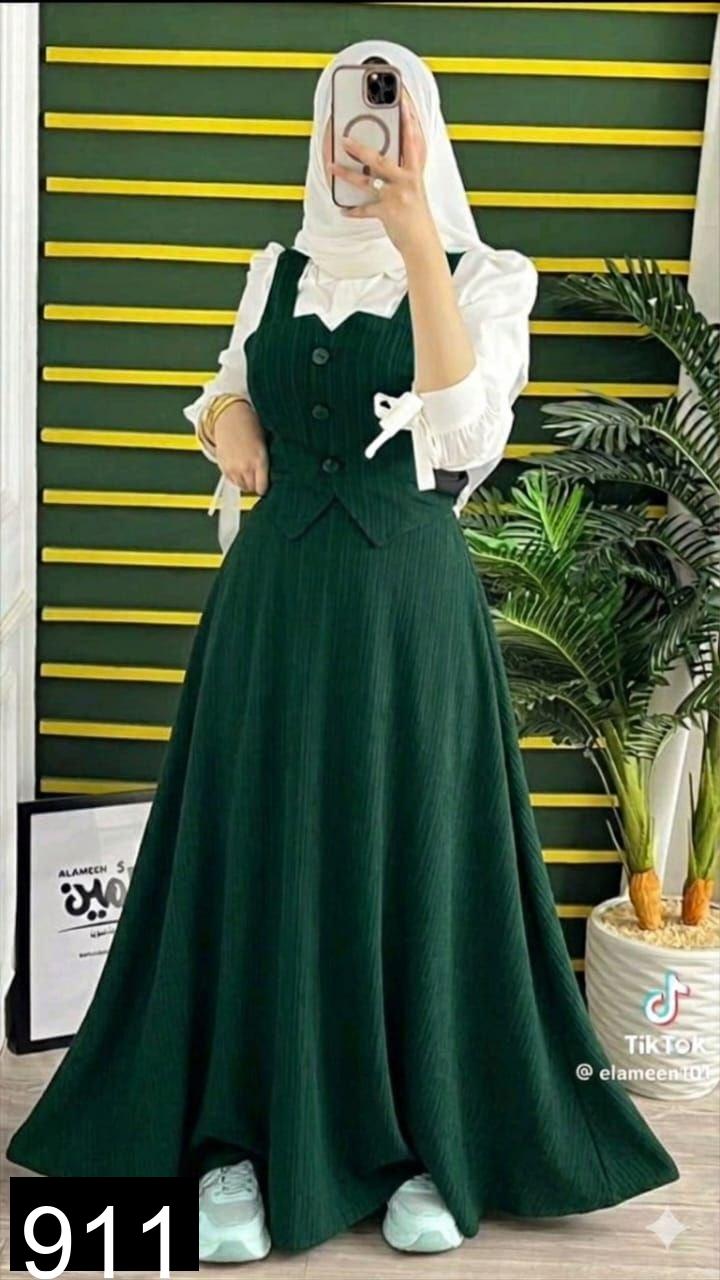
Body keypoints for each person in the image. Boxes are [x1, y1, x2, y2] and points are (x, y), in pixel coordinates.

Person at [7, 38, 679, 1263]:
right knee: (257, 854)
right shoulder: (277, 268)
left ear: (425, 128)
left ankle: (427, 1140)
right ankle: (236, 1137)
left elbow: (463, 431)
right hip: (270, 607)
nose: (359, 138)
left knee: (410, 853)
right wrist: (226, 418)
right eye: (341, 114)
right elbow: (223, 383)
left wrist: (418, 237)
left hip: (405, 616)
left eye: (384, 112)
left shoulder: (487, 275)